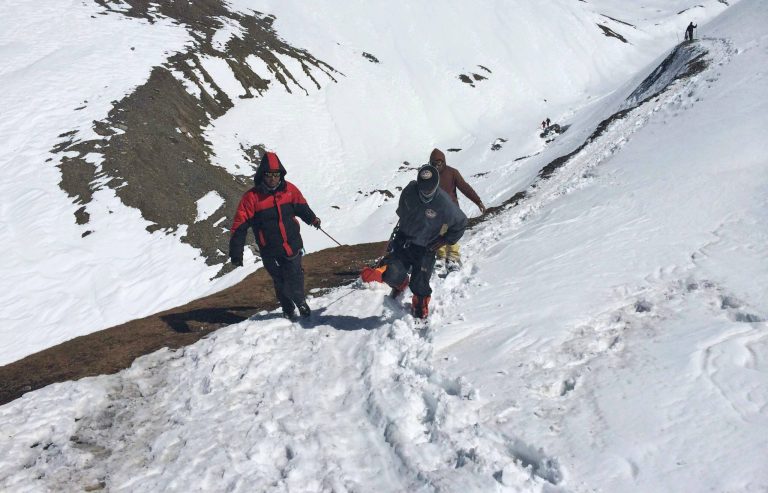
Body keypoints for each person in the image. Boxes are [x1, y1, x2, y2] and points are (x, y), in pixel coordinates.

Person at [361, 164, 467, 319]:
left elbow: (461, 222)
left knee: (420, 283)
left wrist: (445, 239)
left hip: (426, 247)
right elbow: (401, 211)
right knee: (391, 274)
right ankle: (401, 283)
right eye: (422, 189)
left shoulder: (444, 203)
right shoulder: (409, 191)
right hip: (403, 241)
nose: (425, 193)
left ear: (436, 186)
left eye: (429, 190)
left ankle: (420, 303)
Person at [229, 151, 321, 319]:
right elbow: (239, 225)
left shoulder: (290, 190)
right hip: (269, 250)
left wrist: (313, 219)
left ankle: (300, 302)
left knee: (295, 275)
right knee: (280, 280)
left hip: (292, 243)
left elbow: (301, 207)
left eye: (276, 174)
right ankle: (287, 308)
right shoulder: (251, 198)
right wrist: (236, 252)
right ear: (262, 175)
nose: (273, 178)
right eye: (269, 175)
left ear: (281, 174)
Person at [428, 148, 485, 271]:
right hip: (435, 212)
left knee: (452, 233)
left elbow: (465, 188)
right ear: (430, 162)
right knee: (438, 233)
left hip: (451, 210)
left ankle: (452, 258)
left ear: (444, 161)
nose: (437, 165)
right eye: (434, 163)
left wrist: (478, 201)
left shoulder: (452, 172)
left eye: (440, 162)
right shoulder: (428, 175)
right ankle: (441, 257)